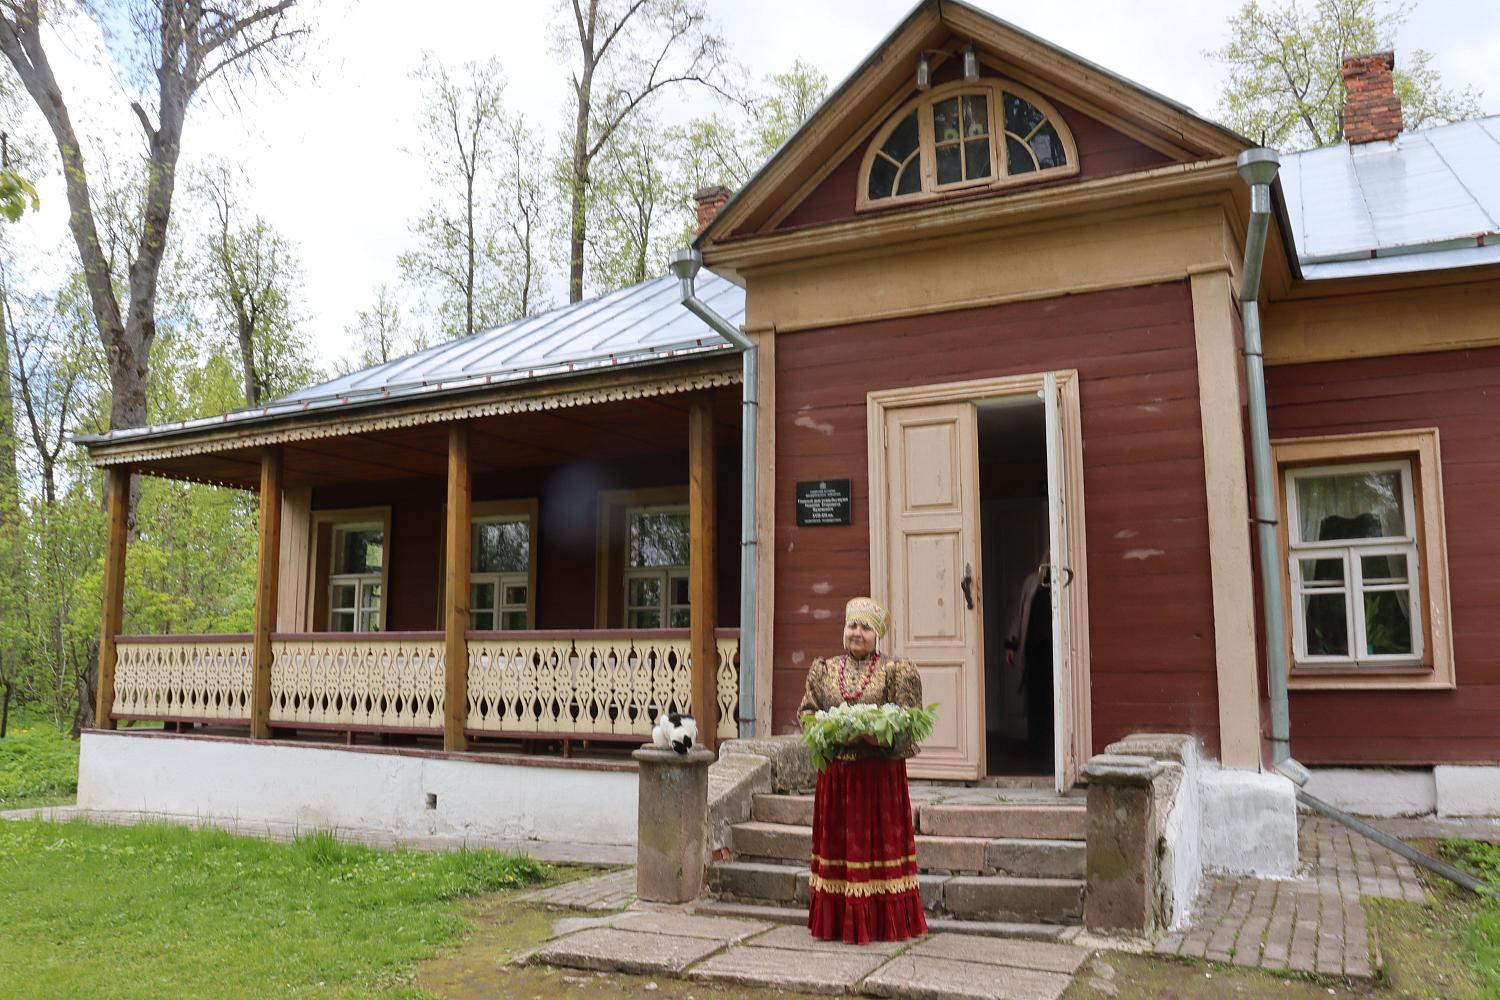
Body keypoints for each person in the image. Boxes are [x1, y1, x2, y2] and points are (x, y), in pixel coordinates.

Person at [797, 597, 927, 944]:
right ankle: (837, 923)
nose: (857, 633)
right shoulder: (823, 670)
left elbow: (910, 726)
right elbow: (807, 712)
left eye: (865, 628)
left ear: (877, 635)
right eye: (852, 625)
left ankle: (881, 923)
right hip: (837, 778)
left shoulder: (895, 670)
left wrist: (879, 736)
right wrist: (822, 730)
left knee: (876, 849)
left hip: (877, 780)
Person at [1004, 551, 1054, 765]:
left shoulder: (1061, 580)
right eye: (1048, 557)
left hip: (1054, 653)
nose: (1051, 561)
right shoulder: (1032, 582)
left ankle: (1052, 754)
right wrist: (1011, 644)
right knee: (1034, 702)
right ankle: (1036, 751)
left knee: (1052, 702)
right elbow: (1020, 613)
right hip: (1034, 652)